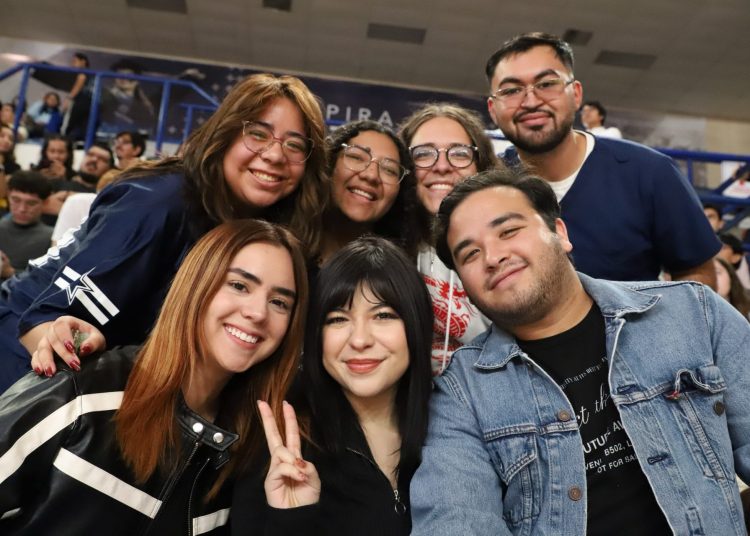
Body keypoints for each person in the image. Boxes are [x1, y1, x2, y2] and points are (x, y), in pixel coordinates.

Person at [411, 169, 750, 535]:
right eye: (470, 253)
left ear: (560, 233)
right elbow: (454, 520)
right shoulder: (462, 393)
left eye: (508, 231)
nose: (492, 257)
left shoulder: (692, 312)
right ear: (464, 284)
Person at [0, 72, 328, 393]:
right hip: (20, 359)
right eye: (257, 134)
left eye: (295, 145)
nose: (275, 155)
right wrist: (77, 352)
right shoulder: (160, 204)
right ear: (225, 133)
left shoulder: (276, 231)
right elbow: (42, 322)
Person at [0, 219, 309, 534]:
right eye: (239, 286)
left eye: (279, 302)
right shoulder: (85, 391)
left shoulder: (248, 453)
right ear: (195, 284)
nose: (258, 312)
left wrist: (289, 520)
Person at [231, 236, 433, 535]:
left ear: (416, 324)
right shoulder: (281, 443)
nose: (360, 340)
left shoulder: (451, 424)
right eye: (338, 319)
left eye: (383, 315)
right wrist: (291, 519)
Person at [485, 32, 720, 285]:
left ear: (576, 94)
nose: (531, 101)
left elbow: (696, 274)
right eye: (511, 90)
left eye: (547, 84)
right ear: (492, 110)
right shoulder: (486, 185)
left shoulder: (649, 173)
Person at [399, 103, 497, 373]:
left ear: (481, 166)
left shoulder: (509, 248)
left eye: (459, 153)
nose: (442, 166)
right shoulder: (384, 244)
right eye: (423, 153)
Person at [317, 120, 418, 265]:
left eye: (389, 170)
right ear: (329, 164)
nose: (371, 175)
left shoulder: (401, 272)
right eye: (356, 157)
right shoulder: (288, 247)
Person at [0, 171, 53, 280]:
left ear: (46, 202)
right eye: (16, 200)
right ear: (8, 195)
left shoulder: (53, 239)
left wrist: (10, 272)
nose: (22, 209)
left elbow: (50, 279)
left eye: (31, 203)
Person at [62, 52, 94, 141]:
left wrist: (69, 98)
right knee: (83, 126)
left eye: (75, 61)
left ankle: (65, 140)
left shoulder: (83, 73)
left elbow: (79, 85)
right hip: (88, 103)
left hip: (81, 102)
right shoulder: (91, 74)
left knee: (70, 124)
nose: (73, 64)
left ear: (83, 62)